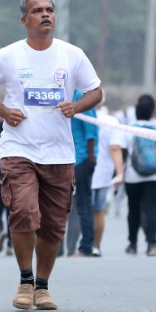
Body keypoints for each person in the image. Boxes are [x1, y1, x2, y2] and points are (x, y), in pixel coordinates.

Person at [0, 0, 102, 311]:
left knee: (53, 223)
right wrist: (3, 111)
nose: (45, 14)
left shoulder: (72, 55)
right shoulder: (8, 55)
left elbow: (96, 91)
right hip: (19, 148)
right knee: (24, 210)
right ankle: (25, 279)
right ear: (24, 20)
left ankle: (43, 286)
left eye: (49, 10)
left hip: (60, 153)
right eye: (37, 11)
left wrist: (76, 105)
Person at [111, 94, 156, 256]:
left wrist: (119, 174)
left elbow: (121, 151)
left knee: (133, 209)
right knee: (153, 208)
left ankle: (133, 244)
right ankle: (151, 244)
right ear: (152, 112)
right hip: (155, 176)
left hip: (132, 176)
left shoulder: (128, 129)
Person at [64, 90, 99, 257]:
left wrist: (90, 159)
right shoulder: (66, 95)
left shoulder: (80, 97)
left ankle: (86, 247)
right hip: (70, 158)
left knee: (83, 204)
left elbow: (91, 131)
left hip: (82, 158)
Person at [88, 105, 118, 257]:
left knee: (80, 211)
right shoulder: (111, 120)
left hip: (83, 169)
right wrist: (120, 172)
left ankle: (82, 245)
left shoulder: (78, 115)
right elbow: (115, 148)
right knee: (98, 211)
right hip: (104, 173)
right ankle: (96, 245)